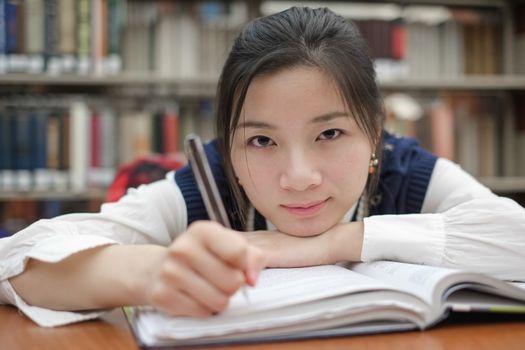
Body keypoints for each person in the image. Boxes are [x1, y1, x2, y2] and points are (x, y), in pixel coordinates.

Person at [1, 6, 524, 327]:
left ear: (375, 131)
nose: (298, 176)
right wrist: (154, 271)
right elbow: (16, 262)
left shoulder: (409, 172)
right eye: (260, 141)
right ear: (226, 145)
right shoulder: (201, 188)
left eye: (330, 134)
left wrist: (334, 243)